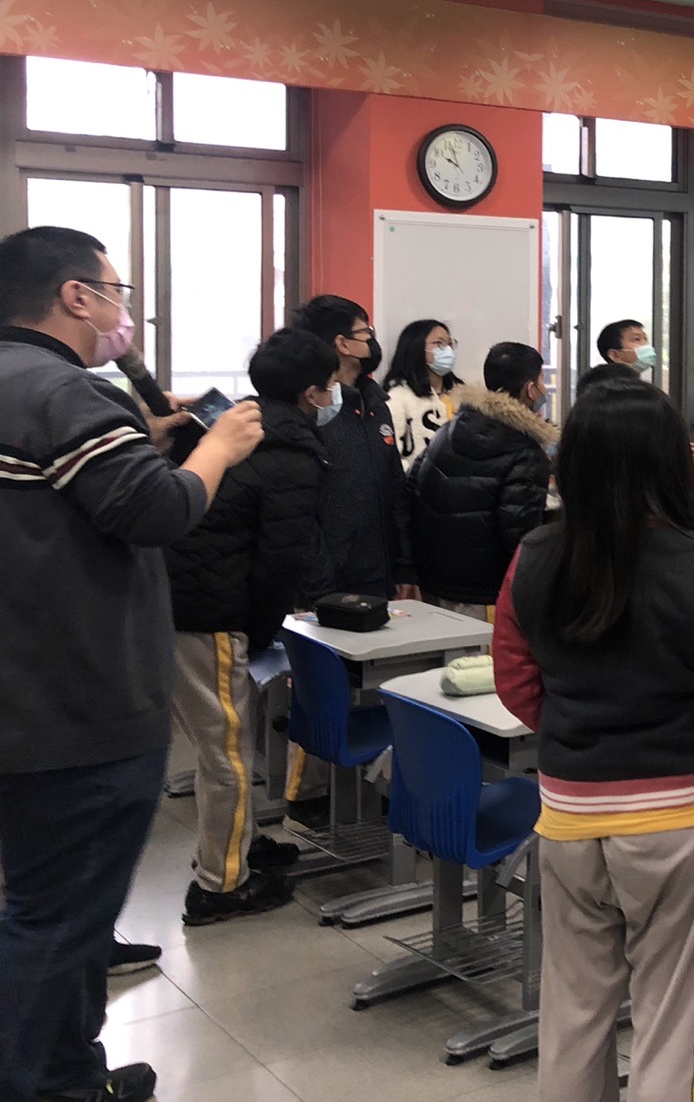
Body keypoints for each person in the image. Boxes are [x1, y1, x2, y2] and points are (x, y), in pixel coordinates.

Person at [0, 226, 265, 1102]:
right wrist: (218, 446)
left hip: (22, 696)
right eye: (115, 291)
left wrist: (141, 437)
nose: (122, 311)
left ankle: (69, 1081)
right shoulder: (64, 393)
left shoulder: (28, 392)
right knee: (52, 922)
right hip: (79, 704)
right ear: (76, 296)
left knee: (53, 906)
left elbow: (70, 495)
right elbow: (157, 511)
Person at [492, 378, 694, 1102]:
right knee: (674, 1024)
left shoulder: (533, 555)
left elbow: (516, 682)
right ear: (669, 462)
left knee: (574, 1014)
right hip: (680, 817)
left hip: (568, 814)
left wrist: (578, 738)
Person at [166, 328, 336, 926]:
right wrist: (260, 635)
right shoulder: (291, 455)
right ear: (315, 392)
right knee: (228, 752)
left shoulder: (222, 422)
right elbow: (280, 559)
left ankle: (236, 845)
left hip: (181, 603)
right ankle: (220, 885)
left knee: (227, 744)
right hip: (209, 612)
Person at [290, 293, 414, 820]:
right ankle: (310, 794)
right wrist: (314, 580)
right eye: (364, 330)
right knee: (321, 686)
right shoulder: (311, 404)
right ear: (341, 342)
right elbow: (299, 501)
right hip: (322, 574)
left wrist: (405, 566)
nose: (371, 338)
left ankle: (374, 790)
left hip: (376, 566)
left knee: (381, 683)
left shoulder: (372, 399)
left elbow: (394, 487)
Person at [409, 342, 555, 620]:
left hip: (434, 581)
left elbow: (413, 488)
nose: (544, 390)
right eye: (541, 381)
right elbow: (520, 532)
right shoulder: (524, 451)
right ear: (529, 389)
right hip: (485, 592)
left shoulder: (450, 428)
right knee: (479, 664)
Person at [383, 318, 461, 471]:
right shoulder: (398, 398)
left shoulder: (461, 395)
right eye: (439, 343)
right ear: (416, 348)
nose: (448, 350)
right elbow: (390, 455)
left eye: (450, 344)